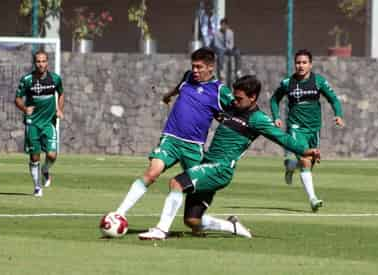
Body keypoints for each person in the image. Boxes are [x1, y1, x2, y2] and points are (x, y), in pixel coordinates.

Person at [138, 75, 321, 240]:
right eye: (234, 96)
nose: (235, 100)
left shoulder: (258, 119)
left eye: (240, 98)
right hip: (208, 165)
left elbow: (282, 137)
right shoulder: (233, 107)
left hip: (220, 169)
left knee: (176, 183)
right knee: (192, 220)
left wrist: (305, 150)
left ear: (253, 98)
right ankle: (233, 226)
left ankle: (161, 230)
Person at [114, 47, 234, 218]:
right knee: (152, 172)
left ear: (210, 68)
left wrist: (225, 118)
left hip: (193, 147)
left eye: (199, 67)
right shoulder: (188, 77)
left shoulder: (219, 90)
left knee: (196, 189)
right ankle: (119, 213)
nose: (195, 70)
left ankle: (205, 220)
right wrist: (167, 96)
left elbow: (236, 111)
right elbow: (179, 87)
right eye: (193, 66)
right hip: (170, 139)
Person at [270, 49, 344, 212]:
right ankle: (313, 199)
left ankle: (290, 165)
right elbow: (274, 99)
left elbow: (333, 99)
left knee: (308, 163)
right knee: (306, 158)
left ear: (310, 64)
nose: (300, 65)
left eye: (304, 62)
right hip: (296, 128)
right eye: (298, 62)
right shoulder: (287, 83)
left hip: (314, 128)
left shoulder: (319, 81)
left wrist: (338, 115)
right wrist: (276, 116)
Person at [15, 49, 64, 197]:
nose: (41, 64)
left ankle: (46, 170)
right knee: (34, 156)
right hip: (33, 124)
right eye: (38, 61)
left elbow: (61, 93)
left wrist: (59, 109)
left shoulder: (55, 79)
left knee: (52, 155)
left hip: (49, 122)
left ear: (47, 62)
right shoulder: (27, 80)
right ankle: (37, 187)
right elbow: (17, 98)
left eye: (43, 61)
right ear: (34, 62)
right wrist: (24, 108)